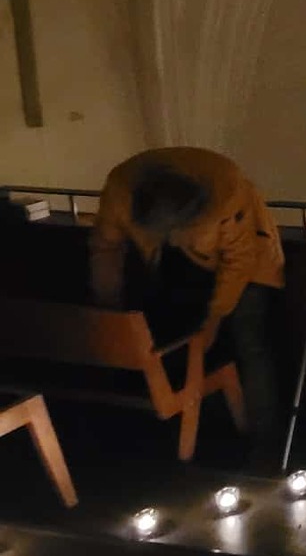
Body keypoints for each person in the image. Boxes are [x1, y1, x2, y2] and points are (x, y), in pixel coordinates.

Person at [90, 147, 285, 466]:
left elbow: (240, 262)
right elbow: (105, 249)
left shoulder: (228, 189)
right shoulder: (121, 190)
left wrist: (213, 320)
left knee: (250, 341)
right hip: (179, 267)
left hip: (251, 261)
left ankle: (266, 444)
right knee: (174, 332)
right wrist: (108, 313)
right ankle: (193, 426)